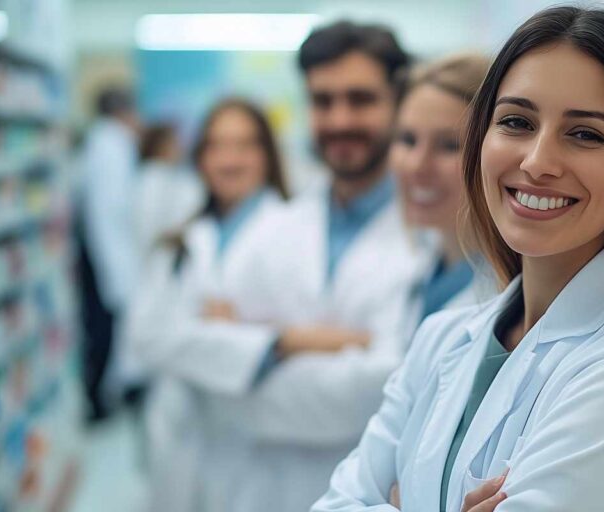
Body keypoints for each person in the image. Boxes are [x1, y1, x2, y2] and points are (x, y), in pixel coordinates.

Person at [313, 7, 604, 512]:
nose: (536, 162)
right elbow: (335, 503)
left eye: (585, 134)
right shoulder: (443, 340)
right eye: (516, 122)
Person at [130, 21, 426, 512]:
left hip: (368, 493)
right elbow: (185, 349)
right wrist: (312, 342)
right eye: (323, 101)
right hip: (253, 490)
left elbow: (378, 389)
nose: (339, 118)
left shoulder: (428, 240)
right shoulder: (273, 230)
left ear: (398, 104)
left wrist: (244, 362)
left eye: (360, 99)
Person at [125, 97, 290, 512]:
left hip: (258, 436)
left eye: (244, 145)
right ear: (200, 158)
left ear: (267, 155)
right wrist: (249, 339)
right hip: (179, 427)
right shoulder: (178, 242)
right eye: (217, 146)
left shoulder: (294, 232)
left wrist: (204, 334)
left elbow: (299, 333)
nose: (229, 159)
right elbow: (143, 336)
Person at [390, 53, 496, 335]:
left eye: (450, 145)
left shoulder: (508, 295)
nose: (416, 165)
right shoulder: (431, 266)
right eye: (407, 140)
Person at [76, 85, 140, 422]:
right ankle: (98, 402)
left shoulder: (102, 143)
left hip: (101, 254)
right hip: (106, 256)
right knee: (103, 331)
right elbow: (113, 213)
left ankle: (101, 396)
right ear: (123, 112)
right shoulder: (112, 146)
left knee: (102, 328)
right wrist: (120, 272)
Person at [133, 122, 204, 259]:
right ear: (160, 146)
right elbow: (148, 227)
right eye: (174, 143)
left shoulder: (172, 175)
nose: (180, 147)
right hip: (158, 257)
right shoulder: (152, 177)